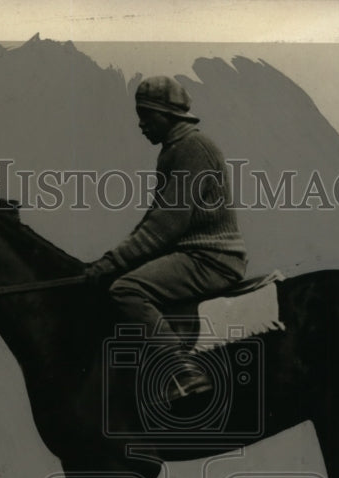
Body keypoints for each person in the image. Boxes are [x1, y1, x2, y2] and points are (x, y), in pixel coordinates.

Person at [85, 76, 247, 401]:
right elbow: (153, 220)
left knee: (126, 289)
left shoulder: (192, 149)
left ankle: (184, 371)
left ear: (167, 115)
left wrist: (111, 263)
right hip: (194, 254)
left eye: (146, 116)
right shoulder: (175, 149)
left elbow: (164, 225)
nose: (141, 125)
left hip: (210, 259)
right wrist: (111, 260)